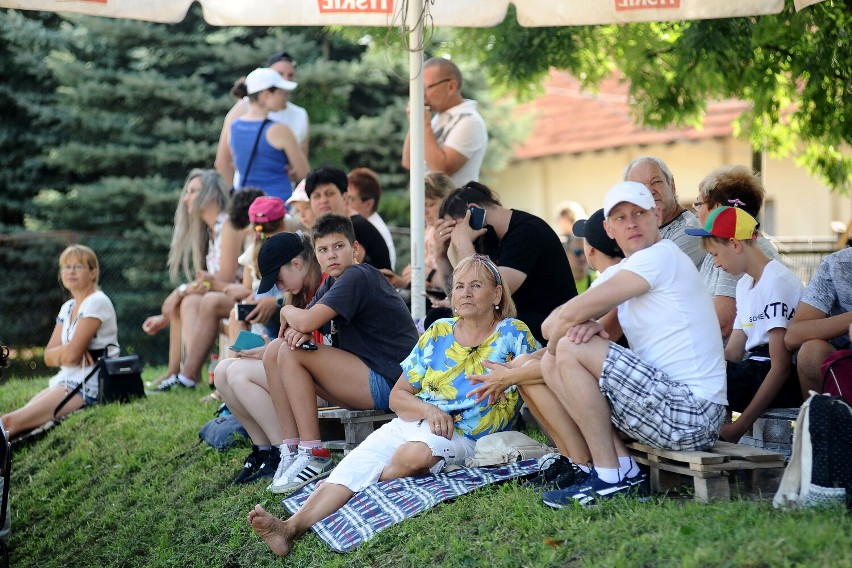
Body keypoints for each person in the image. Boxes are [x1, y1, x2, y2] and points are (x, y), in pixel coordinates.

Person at [247, 254, 538, 557]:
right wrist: (429, 410)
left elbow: (537, 372)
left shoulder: (512, 333)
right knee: (353, 468)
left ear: (497, 294)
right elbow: (398, 396)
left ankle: (369, 478)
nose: (465, 293)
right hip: (415, 420)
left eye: (476, 285)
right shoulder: (439, 332)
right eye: (460, 286)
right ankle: (289, 528)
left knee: (412, 455)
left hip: (462, 433)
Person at [536, 181, 726, 508]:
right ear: (609, 228)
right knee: (554, 360)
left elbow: (564, 320)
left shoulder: (660, 256)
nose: (631, 223)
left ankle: (611, 477)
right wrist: (575, 329)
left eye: (639, 213)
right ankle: (620, 469)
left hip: (694, 415)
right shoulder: (628, 268)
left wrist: (573, 328)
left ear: (656, 214)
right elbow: (550, 325)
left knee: (568, 348)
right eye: (621, 218)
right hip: (668, 407)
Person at [261, 213, 418, 493]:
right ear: (317, 257)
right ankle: (292, 449)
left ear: (354, 249)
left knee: (290, 353)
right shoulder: (332, 283)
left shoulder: (358, 275)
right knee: (275, 350)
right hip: (367, 377)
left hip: (393, 382)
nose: (332, 255)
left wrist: (285, 309)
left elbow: (306, 322)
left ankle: (313, 454)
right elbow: (303, 326)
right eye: (323, 249)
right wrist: (300, 325)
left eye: (339, 246)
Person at [685, 206, 803, 442]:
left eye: (716, 254)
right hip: (754, 369)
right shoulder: (744, 285)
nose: (716, 264)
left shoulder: (776, 282)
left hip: (782, 375)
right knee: (690, 372)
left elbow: (780, 368)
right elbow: (733, 351)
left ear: (735, 244)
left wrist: (738, 428)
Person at [215, 232, 324, 484]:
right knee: (223, 370)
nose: (278, 287)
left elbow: (316, 349)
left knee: (237, 373)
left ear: (296, 264)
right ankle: (263, 449)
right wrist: (268, 347)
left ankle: (282, 449)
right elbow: (292, 347)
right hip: (305, 376)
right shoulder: (299, 293)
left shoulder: (324, 287)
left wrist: (271, 350)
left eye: (278, 279)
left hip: (320, 384)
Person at [433, 181, 577, 344]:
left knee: (446, 320)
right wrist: (441, 256)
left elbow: (490, 293)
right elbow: (460, 298)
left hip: (547, 325)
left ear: (473, 210)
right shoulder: (490, 238)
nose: (455, 235)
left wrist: (464, 243)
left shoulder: (527, 232)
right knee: (438, 317)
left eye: (454, 227)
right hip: (517, 320)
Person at [142, 170, 247, 390]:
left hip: (239, 296)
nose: (185, 198)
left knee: (188, 299)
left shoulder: (228, 225)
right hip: (223, 299)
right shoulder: (212, 231)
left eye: (192, 191)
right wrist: (181, 294)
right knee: (187, 301)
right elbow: (209, 283)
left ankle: (188, 376)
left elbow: (223, 280)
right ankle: (176, 372)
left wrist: (180, 290)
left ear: (210, 194)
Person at [1, 246, 119, 441]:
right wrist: (70, 352)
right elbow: (48, 356)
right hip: (66, 379)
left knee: (7, 424)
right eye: (66, 266)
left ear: (93, 272)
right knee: (10, 428)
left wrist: (68, 353)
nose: (70, 271)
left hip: (88, 385)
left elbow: (71, 356)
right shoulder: (68, 307)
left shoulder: (97, 301)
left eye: (78, 266)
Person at [693, 165, 782, 338]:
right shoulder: (721, 246)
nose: (696, 214)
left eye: (699, 204)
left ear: (717, 209)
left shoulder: (737, 252)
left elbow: (722, 323)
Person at [216, 51, 310, 186]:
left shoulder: (236, 124)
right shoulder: (280, 129)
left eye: (290, 75)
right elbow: (304, 173)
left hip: (245, 200)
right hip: (279, 199)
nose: (286, 80)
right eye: (279, 76)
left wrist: (235, 197)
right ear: (266, 94)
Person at [401, 58, 487, 187]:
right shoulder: (438, 119)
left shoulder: (469, 121)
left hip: (456, 205)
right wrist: (415, 123)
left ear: (451, 86)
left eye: (426, 88)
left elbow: (441, 171)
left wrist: (424, 125)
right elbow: (409, 162)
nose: (421, 95)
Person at [785, 247, 852, 397]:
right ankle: (820, 417)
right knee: (811, 352)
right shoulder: (838, 263)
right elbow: (794, 336)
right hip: (845, 368)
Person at [303, 166, 391, 270]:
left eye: (329, 193)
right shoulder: (329, 227)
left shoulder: (355, 225)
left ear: (344, 197)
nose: (323, 201)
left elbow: (345, 270)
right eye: (317, 196)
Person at [623, 156, 704, 267]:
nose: (650, 191)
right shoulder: (640, 232)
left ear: (672, 185)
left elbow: (650, 278)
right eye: (640, 188)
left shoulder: (689, 231)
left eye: (655, 182)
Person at [381, 171, 455, 292]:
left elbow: (456, 285)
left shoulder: (453, 232)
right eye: (420, 205)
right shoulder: (429, 230)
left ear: (448, 201)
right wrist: (402, 281)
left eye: (430, 204)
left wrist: (427, 273)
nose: (424, 211)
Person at [346, 167, 397, 270]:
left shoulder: (362, 226)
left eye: (350, 199)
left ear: (369, 204)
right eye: (344, 197)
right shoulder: (370, 223)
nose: (345, 203)